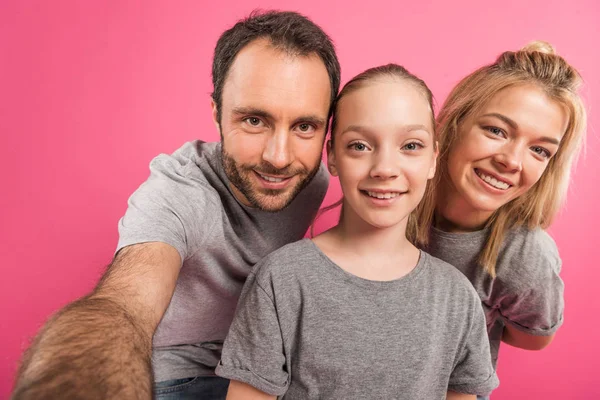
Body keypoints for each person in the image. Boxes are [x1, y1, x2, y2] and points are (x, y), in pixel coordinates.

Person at [12, 10, 340, 400]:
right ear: (217, 111)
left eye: (305, 126)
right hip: (182, 379)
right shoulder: (178, 192)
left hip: (270, 371)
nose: (279, 157)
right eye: (254, 120)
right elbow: (124, 304)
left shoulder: (311, 178)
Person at [216, 64, 499, 400]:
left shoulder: (456, 297)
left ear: (433, 159)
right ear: (332, 156)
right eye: (360, 146)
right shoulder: (282, 280)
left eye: (410, 146)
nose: (384, 169)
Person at [414, 41, 587, 399]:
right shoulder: (394, 199)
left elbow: (533, 338)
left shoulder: (525, 256)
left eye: (539, 150)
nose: (512, 161)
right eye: (497, 130)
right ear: (457, 122)